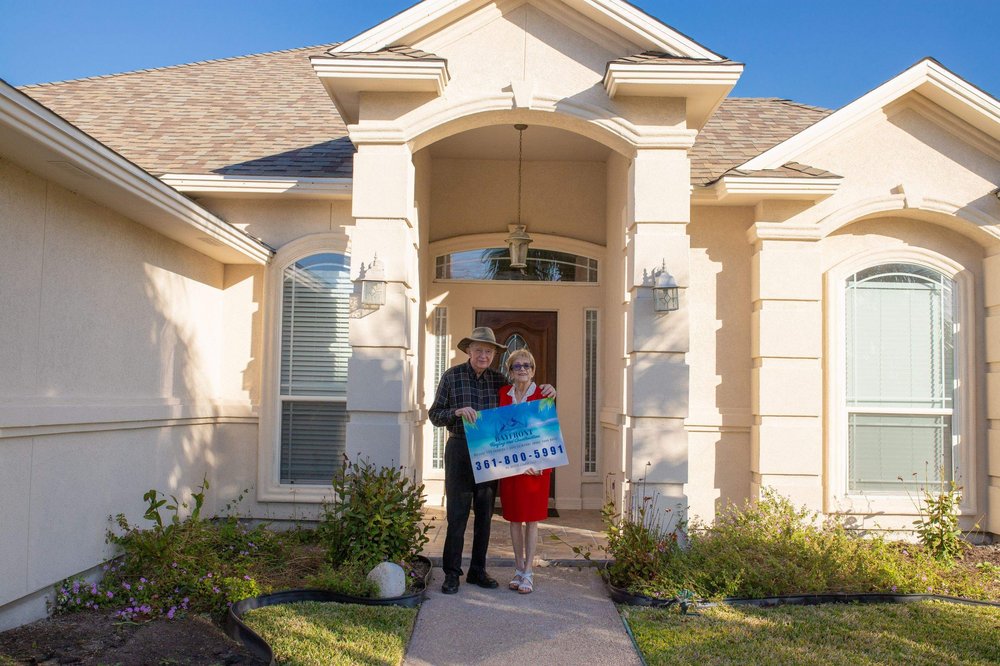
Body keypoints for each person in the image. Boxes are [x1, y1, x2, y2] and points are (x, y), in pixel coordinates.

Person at [428, 327, 555, 595]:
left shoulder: (499, 382)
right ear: (469, 351)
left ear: (494, 355)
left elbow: (524, 398)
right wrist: (456, 411)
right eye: (479, 350)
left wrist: (549, 389)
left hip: (490, 453)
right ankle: (452, 573)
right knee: (458, 515)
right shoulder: (452, 377)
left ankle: (477, 570)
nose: (483, 355)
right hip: (460, 448)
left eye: (488, 351)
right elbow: (435, 414)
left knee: (485, 515)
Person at [497, 349, 551, 594]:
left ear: (533, 369)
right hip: (512, 467)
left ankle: (529, 572)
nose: (522, 370)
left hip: (536, 469)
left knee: (531, 520)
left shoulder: (543, 394)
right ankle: (518, 569)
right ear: (510, 371)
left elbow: (549, 433)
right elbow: (498, 432)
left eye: (527, 365)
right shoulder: (503, 395)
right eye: (517, 366)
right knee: (514, 519)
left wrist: (540, 464)